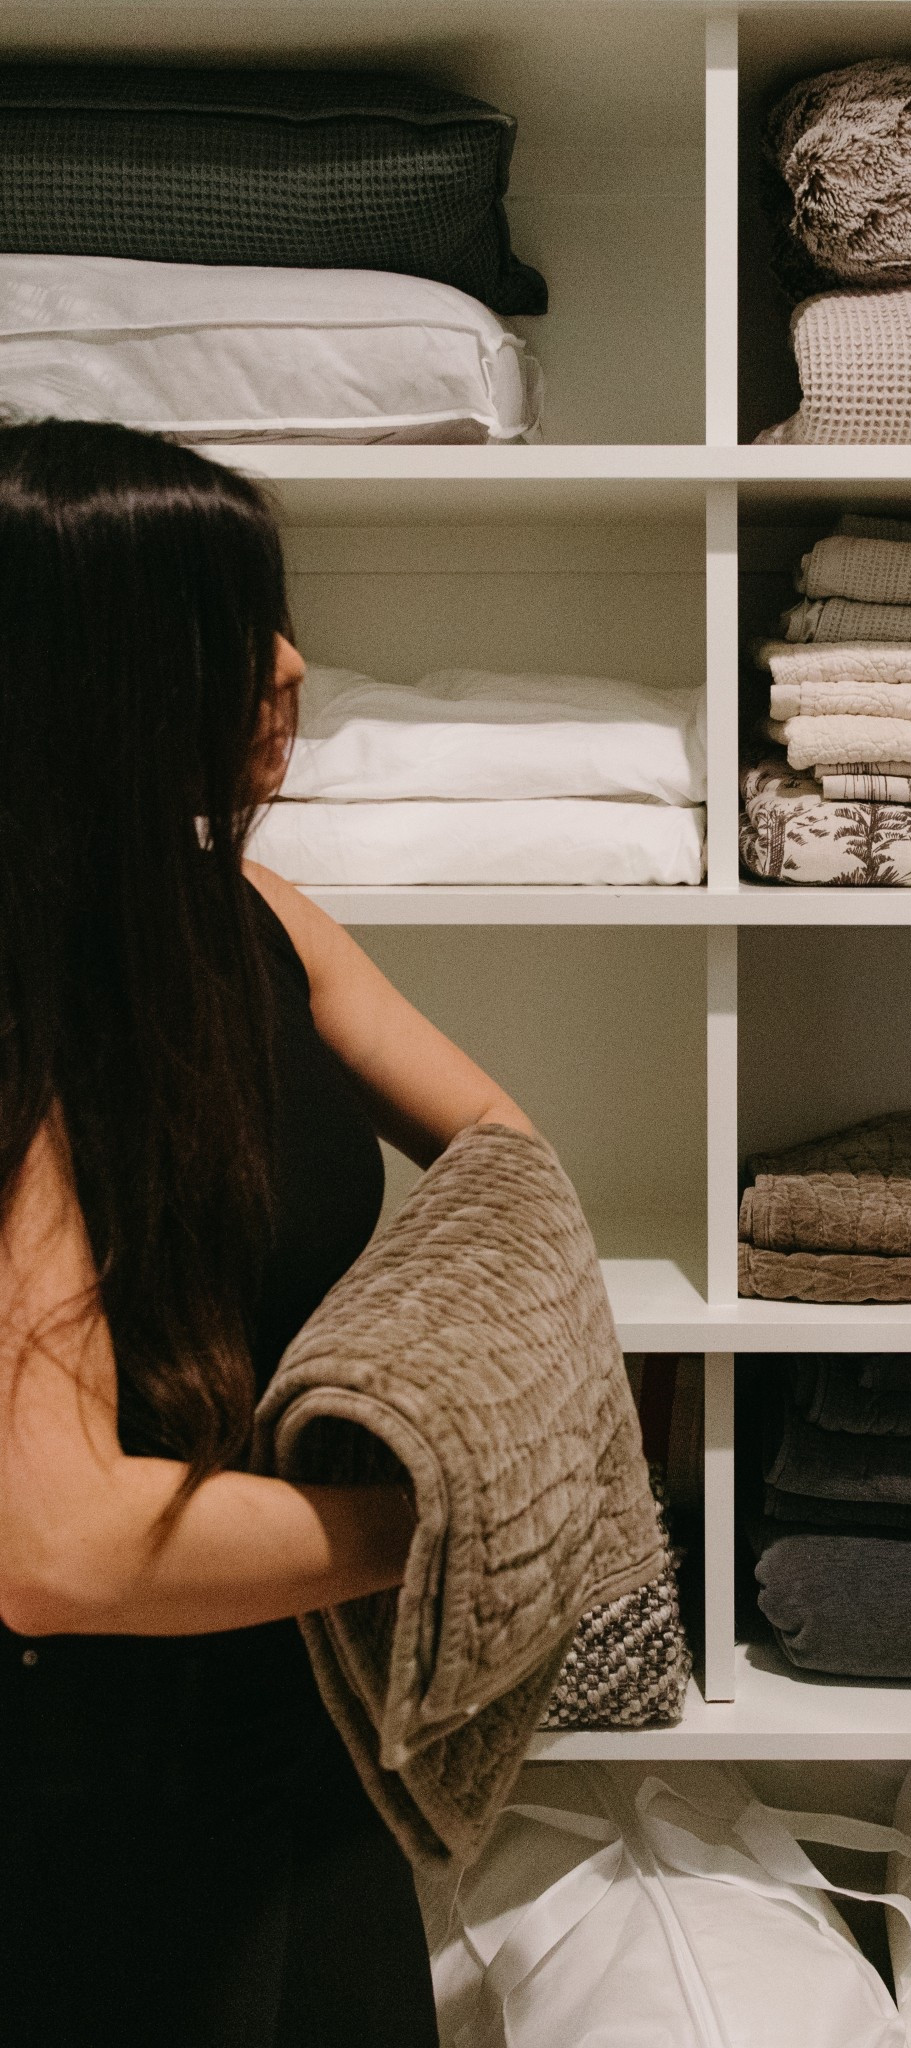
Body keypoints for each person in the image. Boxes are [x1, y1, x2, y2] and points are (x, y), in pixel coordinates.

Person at [0, 419, 536, 2047]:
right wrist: (449, 1529)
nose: (292, 665)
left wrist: (488, 1410)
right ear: (94, 678)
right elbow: (58, 1551)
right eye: (234, 630)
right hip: (78, 1796)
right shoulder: (31, 1020)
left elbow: (507, 1160)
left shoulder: (254, 913)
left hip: (271, 1708)